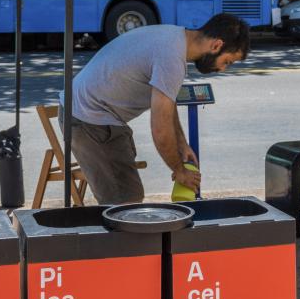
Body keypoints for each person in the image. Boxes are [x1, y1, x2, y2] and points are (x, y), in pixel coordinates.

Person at [63, 13, 250, 205]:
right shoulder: (171, 58)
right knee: (125, 205)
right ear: (216, 45)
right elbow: (160, 129)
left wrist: (181, 144)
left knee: (126, 201)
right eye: (227, 61)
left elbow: (167, 105)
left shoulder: (173, 38)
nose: (223, 68)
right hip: (89, 118)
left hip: (90, 112)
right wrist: (179, 171)